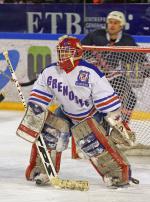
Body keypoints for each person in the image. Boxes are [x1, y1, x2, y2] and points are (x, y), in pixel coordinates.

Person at [17, 35, 137, 188]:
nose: (63, 56)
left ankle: (118, 174)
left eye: (67, 52)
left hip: (90, 115)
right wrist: (35, 111)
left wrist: (118, 124)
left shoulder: (90, 72)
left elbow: (108, 102)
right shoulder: (50, 72)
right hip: (66, 113)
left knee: (92, 145)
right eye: (61, 52)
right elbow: (39, 97)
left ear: (77, 53)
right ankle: (43, 170)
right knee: (50, 134)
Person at [81, 11, 138, 126]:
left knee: (131, 97)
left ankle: (123, 125)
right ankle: (99, 125)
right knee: (98, 101)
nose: (112, 25)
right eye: (110, 22)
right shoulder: (95, 35)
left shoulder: (127, 40)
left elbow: (138, 59)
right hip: (94, 76)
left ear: (121, 25)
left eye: (116, 23)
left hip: (112, 75)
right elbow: (80, 51)